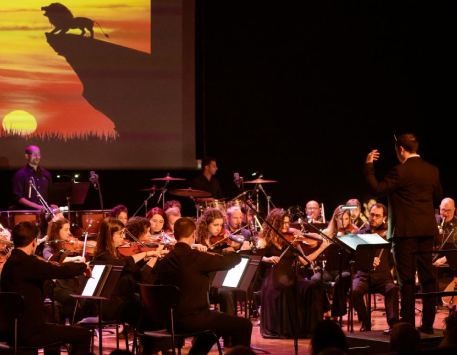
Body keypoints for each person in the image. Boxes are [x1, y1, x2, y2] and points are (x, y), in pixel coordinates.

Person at [364, 133, 442, 333]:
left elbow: (377, 189)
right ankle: (428, 325)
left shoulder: (399, 171)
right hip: (426, 230)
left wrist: (369, 166)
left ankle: (407, 327)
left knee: (406, 281)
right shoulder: (432, 171)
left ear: (400, 150)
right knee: (428, 279)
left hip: (404, 233)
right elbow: (437, 197)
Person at [152, 217, 252, 354]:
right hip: (193, 318)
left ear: (175, 235)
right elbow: (228, 262)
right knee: (244, 325)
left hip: (169, 320)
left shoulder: (165, 260)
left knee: (212, 331)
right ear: (193, 235)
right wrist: (234, 252)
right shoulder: (195, 257)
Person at [0, 221, 91, 354]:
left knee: (54, 330)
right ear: (34, 242)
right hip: (30, 333)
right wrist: (83, 266)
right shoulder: (29, 263)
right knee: (83, 335)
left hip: (10, 331)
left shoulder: (9, 264)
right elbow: (60, 271)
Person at [256, 208, 329, 338]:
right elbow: (257, 258)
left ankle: (310, 329)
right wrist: (268, 259)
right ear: (274, 223)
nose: (286, 226)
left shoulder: (292, 239)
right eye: (283, 223)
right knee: (284, 287)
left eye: (287, 223)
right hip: (274, 278)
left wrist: (322, 247)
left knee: (312, 286)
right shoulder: (265, 238)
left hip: (292, 276)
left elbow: (304, 261)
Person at [92, 218, 166, 325]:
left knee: (149, 299)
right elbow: (124, 264)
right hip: (110, 305)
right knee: (142, 304)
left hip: (124, 301)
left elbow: (139, 275)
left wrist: (154, 257)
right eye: (120, 234)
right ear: (109, 235)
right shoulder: (103, 257)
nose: (124, 237)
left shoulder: (117, 254)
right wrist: (146, 254)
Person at [352, 203, 399, 332]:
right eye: (372, 215)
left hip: (382, 277)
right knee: (354, 291)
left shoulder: (389, 234)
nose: (373, 218)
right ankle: (365, 320)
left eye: (377, 216)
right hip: (364, 275)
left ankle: (393, 324)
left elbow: (393, 259)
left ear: (384, 218)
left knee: (392, 289)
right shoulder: (361, 234)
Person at [12, 145, 52, 210]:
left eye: (38, 154)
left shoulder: (46, 174)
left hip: (45, 214)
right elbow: (18, 197)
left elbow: (50, 194)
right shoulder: (20, 174)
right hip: (28, 214)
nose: (37, 157)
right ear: (27, 156)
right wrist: (38, 207)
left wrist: (53, 205)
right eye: (34, 154)